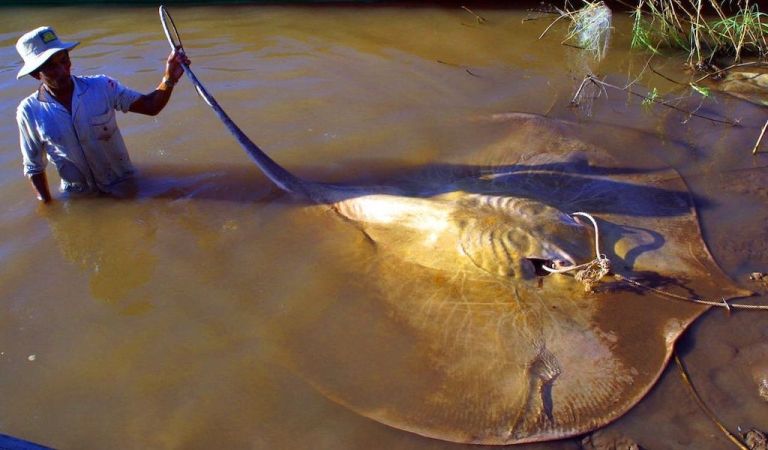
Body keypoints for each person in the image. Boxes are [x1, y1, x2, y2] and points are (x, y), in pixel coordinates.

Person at [15, 26, 191, 203]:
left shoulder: (102, 86)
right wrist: (48, 207)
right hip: (80, 197)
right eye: (51, 67)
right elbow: (34, 167)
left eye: (64, 60)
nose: (62, 70)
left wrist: (169, 78)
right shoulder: (29, 111)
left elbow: (151, 106)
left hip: (124, 184)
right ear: (35, 74)